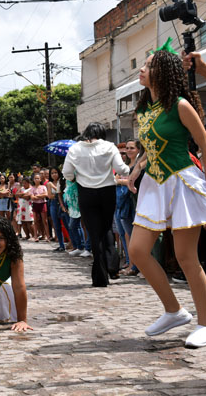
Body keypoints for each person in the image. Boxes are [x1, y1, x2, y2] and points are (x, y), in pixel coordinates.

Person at [128, 47, 206, 348]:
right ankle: (174, 310)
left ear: (162, 73)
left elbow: (205, 146)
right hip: (154, 183)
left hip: (182, 180)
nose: (141, 70)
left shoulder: (180, 105)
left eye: (148, 66)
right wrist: (137, 168)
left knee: (186, 257)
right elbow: (150, 146)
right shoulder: (143, 109)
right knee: (137, 251)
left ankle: (205, 323)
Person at [63, 122, 129, 287]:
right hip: (107, 191)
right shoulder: (109, 146)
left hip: (86, 192)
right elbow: (121, 169)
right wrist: (133, 170)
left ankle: (100, 276)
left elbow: (67, 173)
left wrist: (77, 179)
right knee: (106, 229)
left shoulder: (75, 148)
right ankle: (112, 266)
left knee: (94, 233)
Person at [115, 140, 140, 276]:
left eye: (131, 148)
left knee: (133, 234)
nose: (128, 151)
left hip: (134, 202)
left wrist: (119, 181)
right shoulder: (125, 166)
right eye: (127, 149)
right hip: (123, 203)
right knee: (125, 234)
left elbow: (132, 180)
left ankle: (135, 265)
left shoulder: (138, 165)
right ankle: (131, 263)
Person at [47, 167, 69, 252]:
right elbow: (50, 196)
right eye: (52, 173)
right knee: (56, 226)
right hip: (53, 204)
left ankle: (73, 243)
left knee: (68, 225)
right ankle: (61, 245)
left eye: (55, 172)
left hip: (63, 203)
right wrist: (58, 192)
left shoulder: (63, 181)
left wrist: (56, 190)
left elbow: (64, 193)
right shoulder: (49, 183)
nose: (54, 174)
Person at [29, 172, 50, 241]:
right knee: (35, 221)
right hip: (35, 205)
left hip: (42, 204)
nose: (36, 180)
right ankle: (35, 236)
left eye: (38, 178)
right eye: (35, 178)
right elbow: (32, 197)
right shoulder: (32, 188)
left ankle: (48, 236)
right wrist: (40, 196)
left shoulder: (43, 187)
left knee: (45, 221)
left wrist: (37, 196)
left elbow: (46, 194)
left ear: (40, 179)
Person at [15, 176, 35, 240]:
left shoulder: (31, 188)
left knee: (29, 222)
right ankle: (27, 235)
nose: (24, 184)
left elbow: (28, 197)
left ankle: (33, 235)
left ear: (29, 183)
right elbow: (16, 194)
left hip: (28, 207)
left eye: (25, 183)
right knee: (23, 222)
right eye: (23, 183)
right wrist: (23, 195)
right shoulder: (22, 188)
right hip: (21, 207)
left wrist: (21, 195)